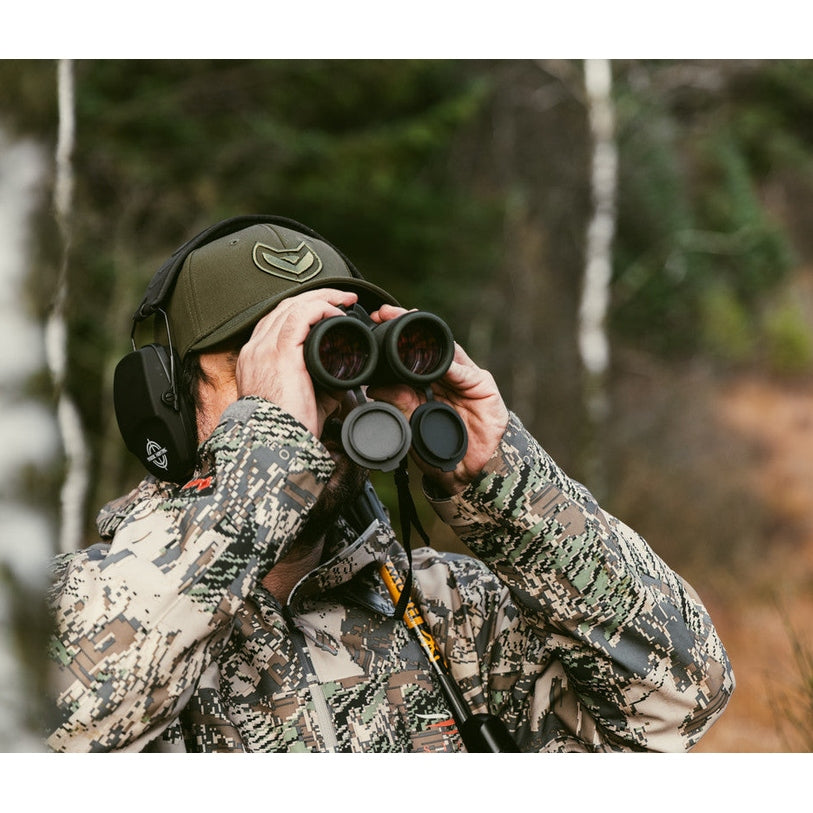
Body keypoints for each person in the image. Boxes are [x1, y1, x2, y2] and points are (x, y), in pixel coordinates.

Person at [46, 216, 734, 753]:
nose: (307, 398)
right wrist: (263, 453)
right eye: (261, 361)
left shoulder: (454, 619)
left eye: (330, 356)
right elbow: (67, 724)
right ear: (165, 402)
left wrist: (502, 483)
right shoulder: (60, 609)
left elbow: (683, 693)